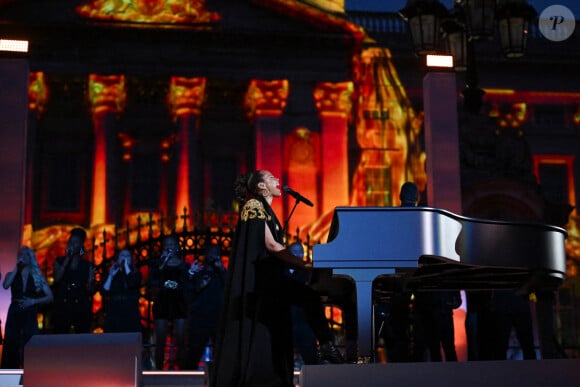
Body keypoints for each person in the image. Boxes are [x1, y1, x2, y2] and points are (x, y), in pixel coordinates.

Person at [211, 170, 343, 387]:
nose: (278, 181)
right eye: (272, 178)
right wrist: (305, 264)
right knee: (307, 295)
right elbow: (272, 246)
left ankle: (326, 345)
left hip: (271, 279)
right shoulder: (254, 206)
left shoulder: (265, 209)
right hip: (263, 283)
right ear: (261, 186)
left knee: (304, 301)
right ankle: (327, 345)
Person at [2, 246, 53, 368]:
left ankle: (30, 374)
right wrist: (16, 268)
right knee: (11, 342)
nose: (22, 257)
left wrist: (33, 301)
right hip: (15, 310)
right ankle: (10, 379)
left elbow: (50, 296)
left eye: (25, 254)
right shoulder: (12, 274)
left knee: (30, 342)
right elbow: (5, 285)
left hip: (30, 311)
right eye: (20, 254)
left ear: (30, 258)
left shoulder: (37, 276)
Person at [149, 234, 189, 370]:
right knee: (160, 340)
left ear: (177, 247)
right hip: (162, 303)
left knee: (181, 341)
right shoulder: (156, 264)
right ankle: (158, 371)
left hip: (179, 304)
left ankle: (182, 370)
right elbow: (152, 282)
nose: (169, 248)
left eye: (172, 245)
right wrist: (162, 265)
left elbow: (187, 285)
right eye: (166, 245)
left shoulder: (184, 266)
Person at [185, 244, 227, 370]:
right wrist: (199, 285)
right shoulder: (198, 272)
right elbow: (188, 294)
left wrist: (221, 269)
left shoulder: (222, 274)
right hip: (200, 319)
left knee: (221, 353)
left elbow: (231, 289)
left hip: (218, 318)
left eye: (216, 253)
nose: (213, 256)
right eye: (210, 253)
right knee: (194, 352)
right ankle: (189, 379)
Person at [51, 227, 95, 334]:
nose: (72, 245)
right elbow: (57, 278)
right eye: (71, 242)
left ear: (81, 246)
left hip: (80, 305)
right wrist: (67, 259)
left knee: (81, 336)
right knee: (60, 335)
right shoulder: (59, 261)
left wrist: (90, 280)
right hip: (63, 304)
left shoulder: (87, 265)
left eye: (76, 242)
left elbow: (90, 289)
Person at [102, 248, 143, 333]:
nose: (124, 258)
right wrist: (111, 276)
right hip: (114, 311)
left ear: (131, 259)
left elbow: (132, 283)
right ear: (118, 259)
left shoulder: (136, 274)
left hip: (130, 311)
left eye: (127, 256)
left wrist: (127, 267)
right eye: (122, 255)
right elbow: (104, 292)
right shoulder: (113, 273)